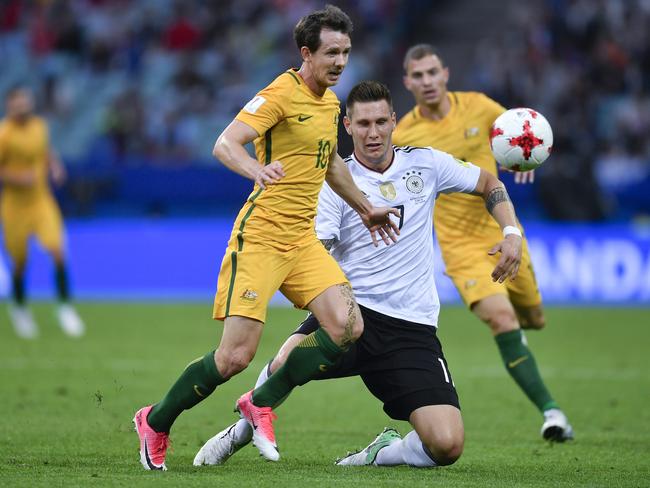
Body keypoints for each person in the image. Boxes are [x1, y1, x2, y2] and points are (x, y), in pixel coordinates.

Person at [194, 80, 523, 468]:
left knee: (447, 446)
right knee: (284, 363)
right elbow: (318, 249)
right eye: (363, 124)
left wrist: (511, 233)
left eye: (381, 122)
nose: (373, 132)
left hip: (410, 328)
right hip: (350, 315)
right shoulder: (334, 183)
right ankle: (238, 433)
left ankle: (381, 452)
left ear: (393, 122)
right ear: (347, 126)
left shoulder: (427, 163)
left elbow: (489, 183)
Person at [133, 6, 399, 471]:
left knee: (348, 326)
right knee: (235, 356)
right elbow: (224, 143)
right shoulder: (280, 92)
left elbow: (330, 162)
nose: (340, 62)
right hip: (260, 238)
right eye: (331, 53)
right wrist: (258, 169)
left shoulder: (330, 103)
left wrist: (365, 206)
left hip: (302, 241)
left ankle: (262, 401)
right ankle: (155, 420)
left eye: (346, 53)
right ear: (306, 53)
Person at [392, 44, 573, 441]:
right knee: (501, 319)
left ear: (446, 74)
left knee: (533, 319)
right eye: (417, 76)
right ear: (407, 83)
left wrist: (522, 160)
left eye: (432, 72)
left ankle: (520, 338)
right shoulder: (405, 134)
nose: (426, 81)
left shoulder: (479, 106)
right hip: (461, 248)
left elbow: (518, 135)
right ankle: (552, 412)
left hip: (504, 234)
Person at [0, 85, 85, 339]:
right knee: (19, 263)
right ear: (10, 106)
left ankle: (64, 308)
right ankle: (19, 308)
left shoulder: (39, 126)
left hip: (41, 201)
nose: (23, 108)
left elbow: (44, 151)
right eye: (18, 104)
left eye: (26, 103)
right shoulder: (4, 135)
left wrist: (55, 165)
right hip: (15, 206)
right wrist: (17, 177)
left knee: (58, 250)